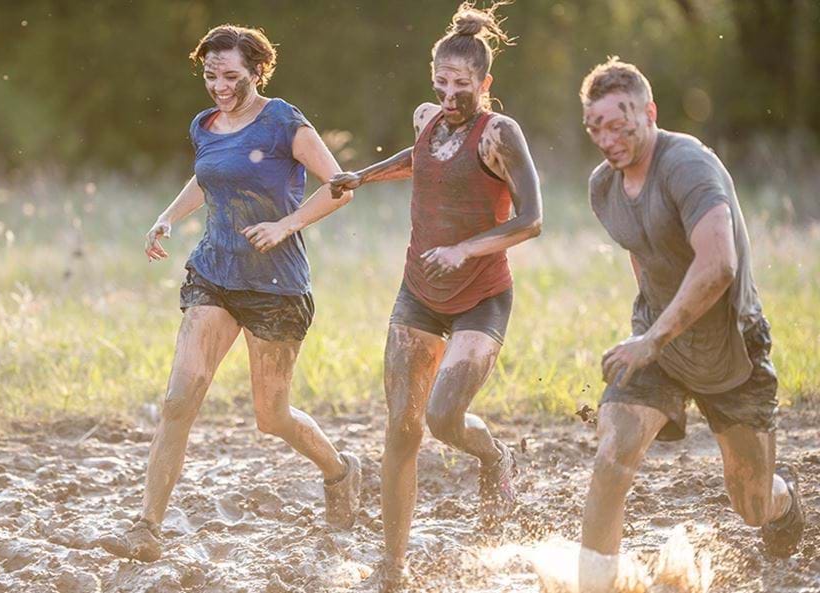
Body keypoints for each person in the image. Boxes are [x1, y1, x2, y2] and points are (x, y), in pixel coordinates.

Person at [99, 24, 362, 562]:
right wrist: (167, 218)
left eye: (231, 76)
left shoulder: (283, 121)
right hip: (214, 275)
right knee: (179, 399)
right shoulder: (205, 125)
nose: (219, 86)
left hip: (276, 288)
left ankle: (340, 472)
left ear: (258, 71)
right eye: (210, 76)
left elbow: (340, 187)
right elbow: (207, 177)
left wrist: (286, 225)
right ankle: (147, 528)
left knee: (272, 417)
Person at [330, 2, 543, 588]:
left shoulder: (499, 133)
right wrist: (361, 176)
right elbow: (419, 159)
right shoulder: (427, 118)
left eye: (462, 85)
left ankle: (493, 456)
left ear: (485, 83)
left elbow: (532, 219)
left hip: (481, 295)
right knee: (402, 428)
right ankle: (392, 564)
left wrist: (464, 249)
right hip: (419, 293)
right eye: (441, 83)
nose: (450, 96)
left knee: (444, 418)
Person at [577, 57, 804, 591]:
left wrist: (655, 336)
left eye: (619, 125)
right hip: (657, 343)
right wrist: (649, 331)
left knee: (750, 503)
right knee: (612, 456)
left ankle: (783, 499)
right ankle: (593, 584)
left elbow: (719, 264)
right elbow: (643, 250)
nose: (607, 140)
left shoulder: (687, 165)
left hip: (731, 346)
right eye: (595, 128)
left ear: (649, 113)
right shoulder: (602, 187)